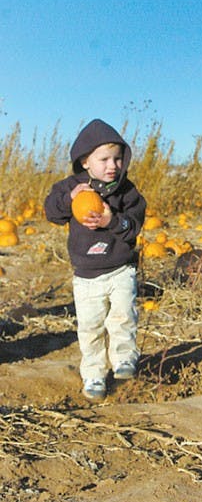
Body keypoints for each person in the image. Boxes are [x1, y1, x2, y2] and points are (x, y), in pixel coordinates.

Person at [45, 119, 146, 401]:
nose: (112, 165)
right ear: (86, 162)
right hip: (86, 275)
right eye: (104, 159)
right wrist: (68, 199)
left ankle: (125, 358)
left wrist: (112, 220)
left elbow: (135, 224)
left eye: (117, 158)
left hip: (120, 269)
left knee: (123, 316)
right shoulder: (72, 187)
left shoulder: (127, 191)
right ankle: (93, 374)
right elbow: (51, 213)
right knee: (90, 328)